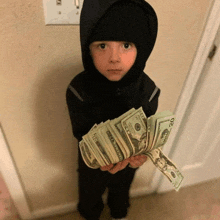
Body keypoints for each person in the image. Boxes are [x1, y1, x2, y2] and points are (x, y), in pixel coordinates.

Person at [66, 0, 160, 219]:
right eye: (102, 45)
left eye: (126, 45)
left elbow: (147, 133)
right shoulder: (78, 90)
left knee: (121, 192)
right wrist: (102, 156)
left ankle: (119, 213)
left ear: (141, 48)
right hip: (92, 161)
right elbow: (81, 132)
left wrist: (142, 152)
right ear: (87, 48)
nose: (115, 57)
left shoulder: (149, 91)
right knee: (89, 195)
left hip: (129, 160)